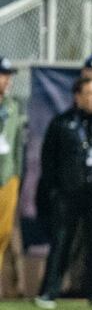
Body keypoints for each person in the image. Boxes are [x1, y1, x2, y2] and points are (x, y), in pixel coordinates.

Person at [34, 77, 92, 308]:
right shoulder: (62, 123)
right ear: (77, 96)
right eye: (89, 94)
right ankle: (48, 292)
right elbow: (48, 160)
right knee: (61, 244)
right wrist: (54, 191)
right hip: (68, 196)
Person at [0, 57, 25, 296]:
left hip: (6, 174)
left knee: (3, 232)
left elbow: (17, 142)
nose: (6, 80)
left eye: (7, 75)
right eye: (2, 74)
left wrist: (17, 173)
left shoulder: (12, 105)